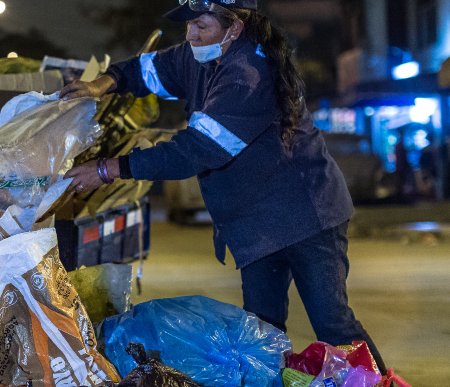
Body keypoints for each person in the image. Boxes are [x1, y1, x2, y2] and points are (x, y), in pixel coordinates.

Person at [60, 0, 386, 372]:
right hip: (255, 225)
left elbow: (196, 151)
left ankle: (378, 382)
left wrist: (107, 169)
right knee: (261, 331)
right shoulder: (196, 58)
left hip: (305, 216)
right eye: (189, 26)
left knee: (333, 325)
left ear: (235, 28)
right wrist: (100, 84)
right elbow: (144, 70)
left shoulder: (249, 73)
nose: (192, 36)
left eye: (202, 26)